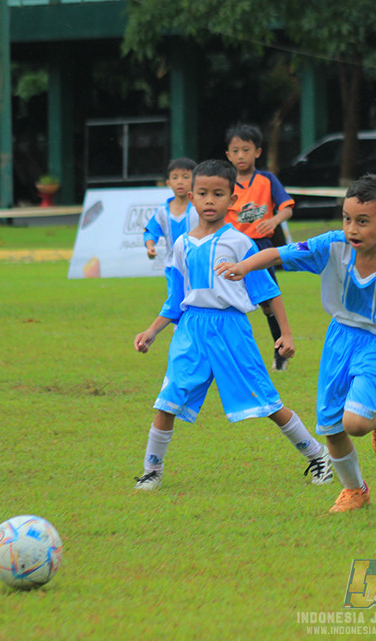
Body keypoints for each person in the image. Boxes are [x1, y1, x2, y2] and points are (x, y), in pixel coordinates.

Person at [215, 174, 376, 514]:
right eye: (347, 219)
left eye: (363, 221)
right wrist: (243, 267)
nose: (352, 229)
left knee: (356, 424)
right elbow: (276, 253)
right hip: (339, 339)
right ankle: (355, 490)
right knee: (332, 427)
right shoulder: (331, 245)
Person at [131, 159, 332, 491]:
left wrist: (285, 333)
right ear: (192, 197)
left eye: (218, 194)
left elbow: (268, 291)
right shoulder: (182, 246)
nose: (210, 201)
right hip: (191, 331)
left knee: (266, 401)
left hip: (231, 330)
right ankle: (152, 471)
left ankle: (317, 454)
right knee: (167, 399)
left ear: (232, 200)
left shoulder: (240, 244)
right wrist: (152, 331)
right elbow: (176, 299)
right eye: (203, 193)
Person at [225, 124, 296, 372]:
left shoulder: (267, 180)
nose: (241, 155)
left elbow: (287, 207)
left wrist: (274, 220)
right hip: (232, 251)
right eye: (236, 150)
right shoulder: (225, 183)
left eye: (246, 149)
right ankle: (230, 359)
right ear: (228, 155)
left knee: (269, 304)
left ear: (257, 152)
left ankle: (281, 354)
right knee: (227, 302)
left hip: (261, 251)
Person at [144, 158, 199, 300]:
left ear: (195, 181)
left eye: (185, 177)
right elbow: (150, 231)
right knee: (176, 302)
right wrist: (150, 246)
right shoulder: (163, 211)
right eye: (175, 177)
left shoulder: (200, 208)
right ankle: (178, 323)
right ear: (168, 182)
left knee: (198, 301)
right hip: (173, 267)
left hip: (198, 265)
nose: (180, 181)